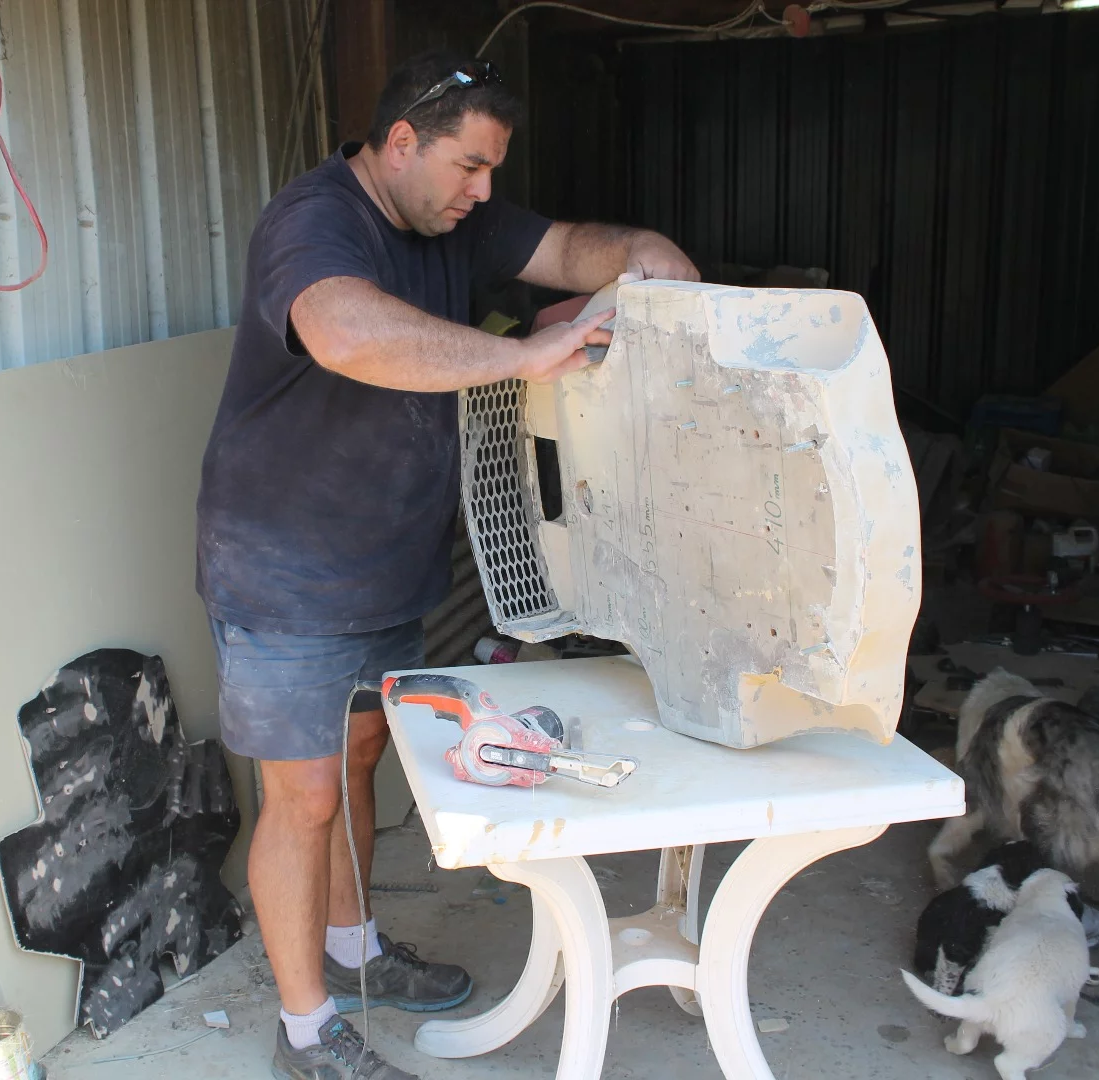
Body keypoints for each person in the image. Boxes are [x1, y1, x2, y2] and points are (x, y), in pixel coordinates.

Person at [195, 48, 698, 1079]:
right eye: (469, 166)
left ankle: (354, 951)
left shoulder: (455, 220)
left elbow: (569, 249)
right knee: (303, 798)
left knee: (358, 761)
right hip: (284, 564)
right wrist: (520, 355)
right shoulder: (314, 220)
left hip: (382, 558)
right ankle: (306, 1032)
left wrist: (643, 252)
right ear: (400, 143)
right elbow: (345, 333)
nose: (483, 191)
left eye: (493, 170)